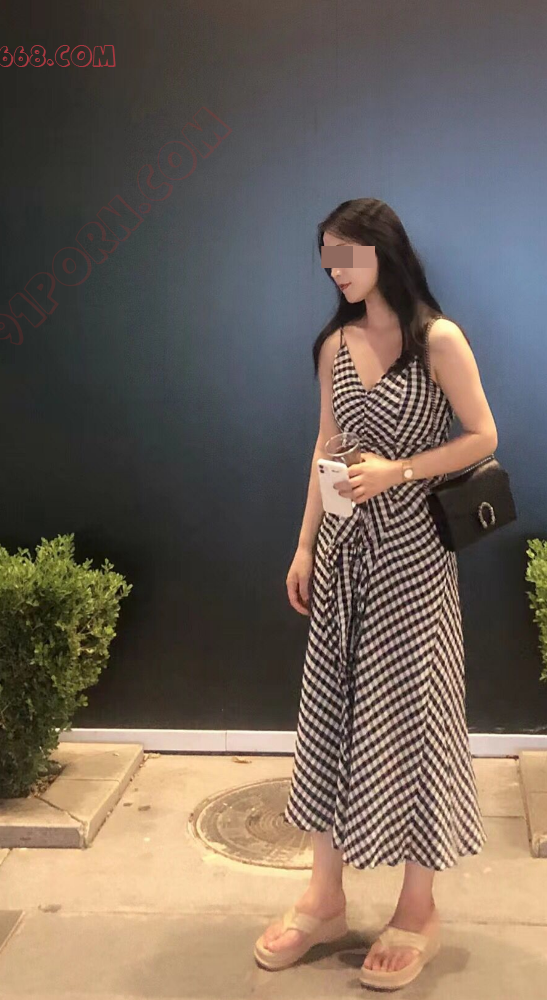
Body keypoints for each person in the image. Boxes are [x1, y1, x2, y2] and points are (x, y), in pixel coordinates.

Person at [254, 198, 496, 990]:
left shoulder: (437, 339)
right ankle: (324, 897)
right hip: (342, 556)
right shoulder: (334, 345)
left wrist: (400, 471)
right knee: (330, 710)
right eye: (326, 257)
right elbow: (325, 447)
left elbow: (482, 436)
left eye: (346, 255)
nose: (335, 271)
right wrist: (303, 543)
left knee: (416, 719)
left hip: (414, 558)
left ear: (383, 252)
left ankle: (417, 907)